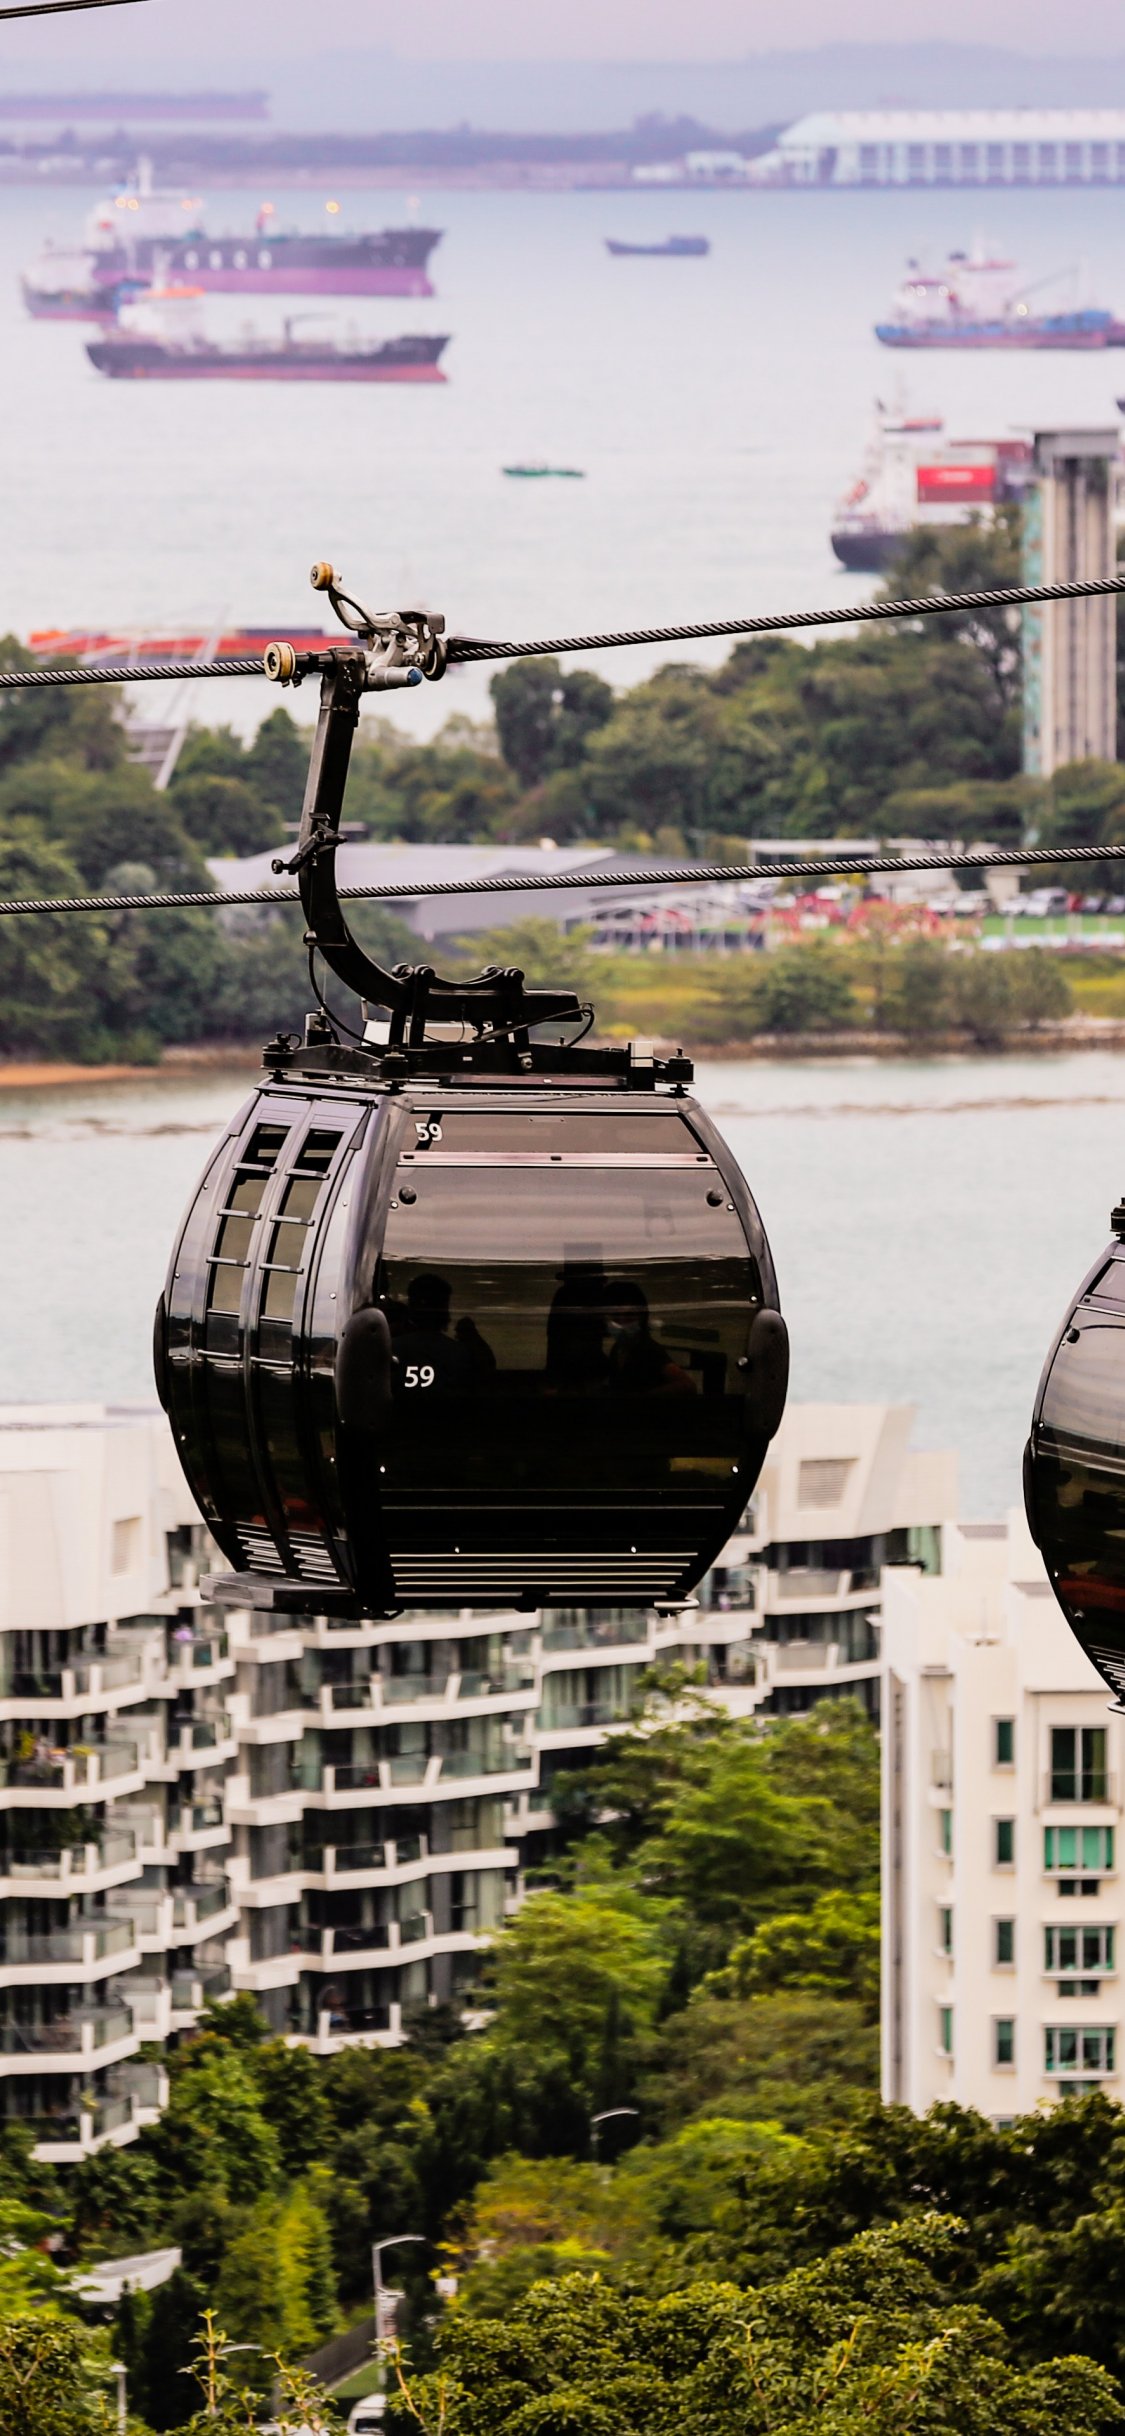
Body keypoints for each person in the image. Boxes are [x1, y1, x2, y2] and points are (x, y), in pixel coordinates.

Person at [603, 1281, 696, 1396]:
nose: (622, 1322)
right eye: (616, 1316)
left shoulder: (647, 1350)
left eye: (629, 1315)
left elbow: (687, 1385)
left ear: (642, 1317)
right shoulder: (618, 1349)